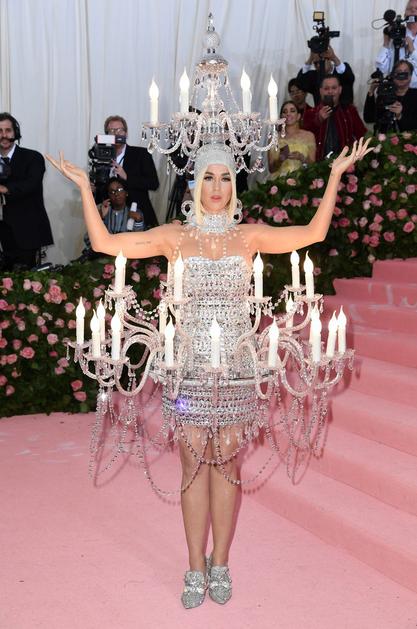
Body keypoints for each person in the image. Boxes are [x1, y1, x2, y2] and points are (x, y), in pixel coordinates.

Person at [46, 137, 372, 609]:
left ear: (234, 186)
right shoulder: (175, 236)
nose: (216, 187)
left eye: (225, 178)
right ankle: (194, 566)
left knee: (227, 464)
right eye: (208, 178)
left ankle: (220, 561)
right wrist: (83, 186)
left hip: (238, 369)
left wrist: (336, 176)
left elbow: (314, 233)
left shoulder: (249, 236)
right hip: (188, 371)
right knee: (193, 465)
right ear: (194, 184)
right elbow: (105, 243)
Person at [0, 113, 53, 270]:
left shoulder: (33, 157)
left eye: (8, 130)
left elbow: (32, 184)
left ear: (15, 132)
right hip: (2, 233)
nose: (4, 135)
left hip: (27, 232)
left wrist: (5, 189)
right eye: (0, 131)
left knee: (26, 278)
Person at [94, 115, 159, 227]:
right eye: (112, 131)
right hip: (111, 220)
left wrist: (127, 177)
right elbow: (101, 192)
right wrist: (94, 190)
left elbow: (154, 184)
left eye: (120, 130)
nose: (116, 133)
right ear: (107, 135)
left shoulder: (141, 154)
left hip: (138, 216)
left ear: (126, 133)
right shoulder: (101, 158)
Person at [303, 75, 367, 161]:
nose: (330, 91)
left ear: (340, 90)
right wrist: (318, 120)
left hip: (346, 163)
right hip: (318, 164)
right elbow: (303, 139)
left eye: (334, 88)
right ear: (321, 91)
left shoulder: (349, 111)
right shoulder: (310, 113)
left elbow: (362, 135)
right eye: (326, 89)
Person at [81, 177, 145, 259]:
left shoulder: (136, 213)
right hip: (104, 258)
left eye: (119, 190)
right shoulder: (103, 211)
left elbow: (139, 243)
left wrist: (138, 221)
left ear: (126, 193)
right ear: (108, 196)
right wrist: (100, 218)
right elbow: (88, 240)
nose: (116, 194)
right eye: (112, 192)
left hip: (128, 257)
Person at [364, 60, 417, 132]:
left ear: (410, 76)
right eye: (398, 72)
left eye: (405, 72)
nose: (401, 75)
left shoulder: (415, 95)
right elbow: (369, 118)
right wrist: (371, 91)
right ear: (393, 75)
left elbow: (414, 126)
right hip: (384, 137)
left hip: (409, 138)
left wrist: (399, 116)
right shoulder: (385, 94)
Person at [268, 100, 316, 178]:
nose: (288, 114)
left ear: (298, 116)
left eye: (292, 111)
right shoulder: (274, 138)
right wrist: (280, 160)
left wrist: (301, 157)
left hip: (302, 181)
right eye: (285, 112)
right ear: (281, 117)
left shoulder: (309, 136)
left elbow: (313, 166)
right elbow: (271, 169)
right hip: (279, 181)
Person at [375, 0, 417, 88]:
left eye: (416, 8)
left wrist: (413, 52)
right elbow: (382, 69)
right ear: (405, 15)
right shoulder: (396, 35)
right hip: (395, 89)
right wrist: (386, 43)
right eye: (409, 9)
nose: (413, 10)